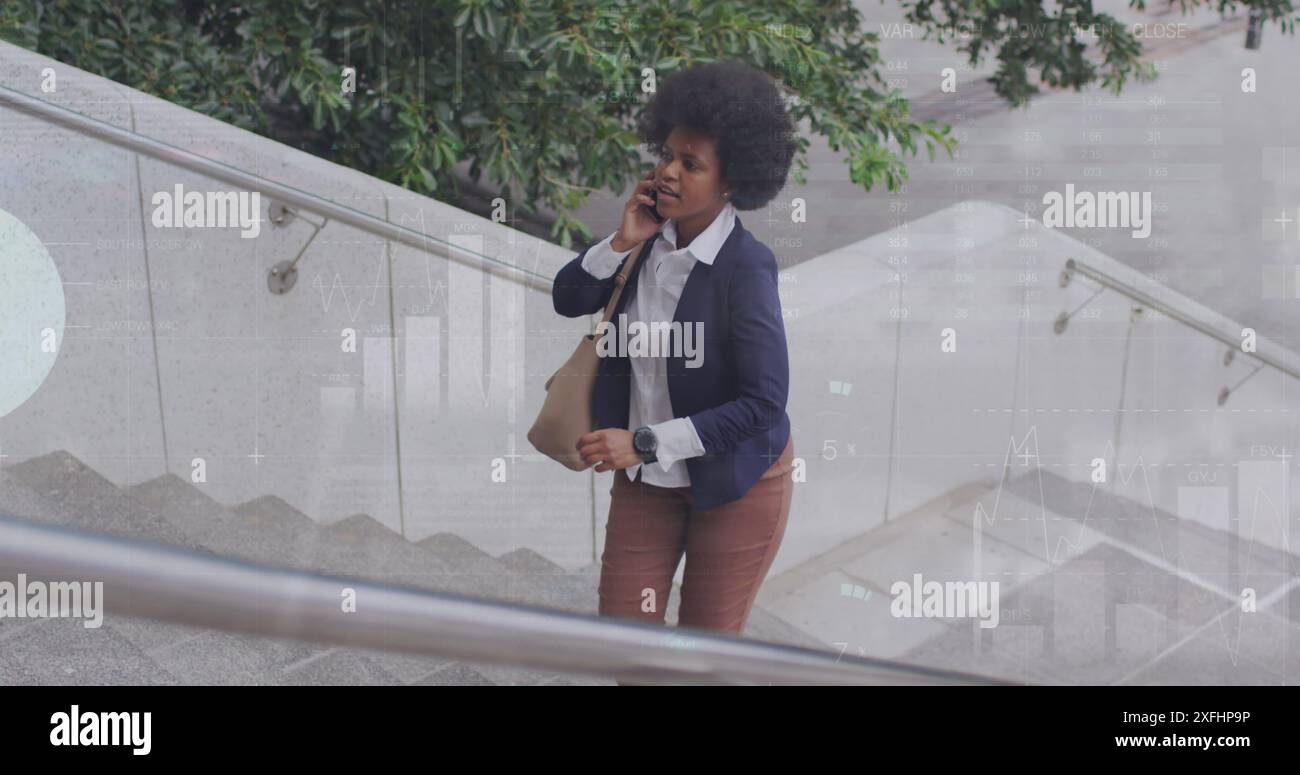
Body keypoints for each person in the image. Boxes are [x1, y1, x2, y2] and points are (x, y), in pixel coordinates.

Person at [550, 61, 799, 660]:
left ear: (731, 180)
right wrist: (620, 241)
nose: (667, 170)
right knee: (626, 641)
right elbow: (568, 299)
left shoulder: (746, 267)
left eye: (691, 163)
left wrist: (644, 441)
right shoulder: (646, 240)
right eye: (667, 153)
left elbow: (765, 402)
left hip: (736, 485)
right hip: (648, 487)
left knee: (703, 655)